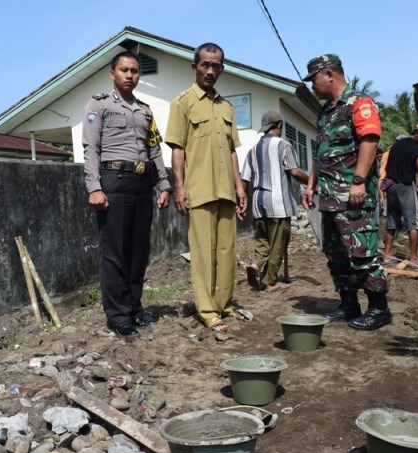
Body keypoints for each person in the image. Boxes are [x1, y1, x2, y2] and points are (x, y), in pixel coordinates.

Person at [82, 51, 172, 338]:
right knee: (115, 252)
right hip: (114, 181)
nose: (130, 75)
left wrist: (164, 185)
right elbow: (91, 150)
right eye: (124, 70)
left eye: (134, 70)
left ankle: (134, 309)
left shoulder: (146, 111)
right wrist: (94, 187)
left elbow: (155, 150)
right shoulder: (99, 105)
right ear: (113, 74)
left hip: (142, 183)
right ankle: (118, 316)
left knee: (138, 251)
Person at [301, 54, 391, 330]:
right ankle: (348, 304)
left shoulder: (359, 104)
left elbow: (370, 140)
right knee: (336, 255)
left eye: (314, 79)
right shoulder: (326, 113)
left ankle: (379, 308)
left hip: (353, 197)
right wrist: (311, 185)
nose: (313, 86)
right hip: (329, 198)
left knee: (362, 253)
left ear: (329, 74)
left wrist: (359, 180)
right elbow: (319, 153)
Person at [165, 42, 247, 333]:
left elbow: (232, 150)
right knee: (202, 252)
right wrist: (180, 186)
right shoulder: (183, 102)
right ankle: (208, 311)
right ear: (195, 67)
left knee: (226, 251)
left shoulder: (226, 106)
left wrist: (239, 187)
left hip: (226, 190)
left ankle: (224, 305)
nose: (210, 70)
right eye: (205, 65)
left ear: (222, 69)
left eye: (216, 66)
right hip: (198, 190)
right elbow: (178, 148)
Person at [242, 110, 309, 291]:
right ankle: (269, 281)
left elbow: (244, 180)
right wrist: (311, 182)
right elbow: (295, 172)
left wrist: (243, 199)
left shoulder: (251, 151)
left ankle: (256, 265)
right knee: (279, 242)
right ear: (279, 125)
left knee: (262, 240)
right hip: (278, 202)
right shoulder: (283, 145)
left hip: (257, 202)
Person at [382, 123, 418, 267]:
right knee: (414, 223)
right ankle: (413, 259)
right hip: (405, 188)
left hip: (391, 187)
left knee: (391, 224)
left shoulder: (396, 146)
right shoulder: (417, 150)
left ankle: (387, 257)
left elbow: (388, 168)